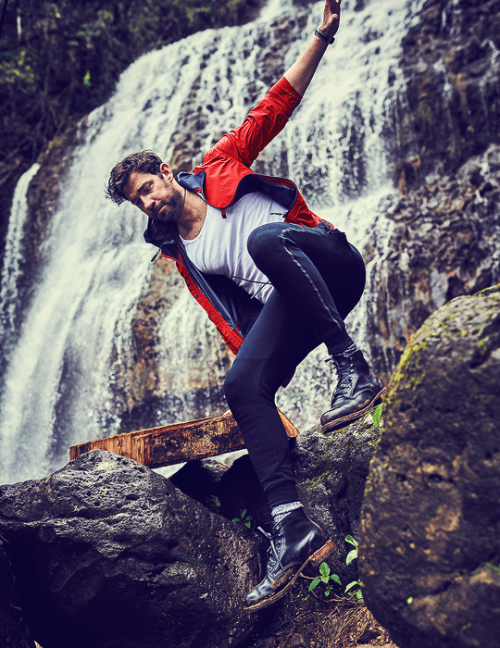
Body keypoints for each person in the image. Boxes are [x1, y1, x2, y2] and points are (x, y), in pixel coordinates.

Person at [106, 0, 384, 612]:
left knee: (263, 240)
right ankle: (293, 527)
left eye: (148, 187)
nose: (148, 202)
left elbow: (277, 103)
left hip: (328, 262)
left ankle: (354, 368)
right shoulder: (182, 254)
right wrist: (263, 383)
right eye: (137, 202)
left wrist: (322, 37)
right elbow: (235, 322)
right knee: (240, 383)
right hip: (293, 305)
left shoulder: (223, 162)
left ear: (167, 172)